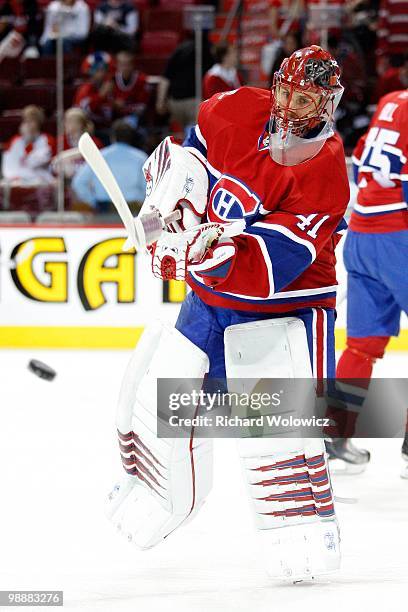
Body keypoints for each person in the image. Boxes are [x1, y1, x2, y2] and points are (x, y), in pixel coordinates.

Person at [107, 46, 349, 581]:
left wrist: (201, 256)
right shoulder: (237, 108)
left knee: (275, 429)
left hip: (284, 310)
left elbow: (270, 266)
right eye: (285, 91)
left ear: (327, 103)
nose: (290, 106)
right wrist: (160, 218)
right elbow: (189, 161)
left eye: (305, 98)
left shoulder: (326, 168)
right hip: (210, 302)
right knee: (172, 402)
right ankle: (160, 491)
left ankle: (301, 529)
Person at [330, 87, 408, 476]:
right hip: (399, 237)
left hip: (360, 233)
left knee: (360, 347)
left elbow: (359, 165)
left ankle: (334, 435)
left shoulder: (392, 100)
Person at [71, 119, 147, 213]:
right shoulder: (141, 157)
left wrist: (93, 202)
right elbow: (148, 187)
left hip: (105, 208)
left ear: (112, 137)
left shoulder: (100, 156)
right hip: (134, 209)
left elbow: (78, 182)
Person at [156, 32, 214, 133]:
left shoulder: (180, 49)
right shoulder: (209, 50)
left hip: (175, 102)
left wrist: (160, 101)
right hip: (195, 102)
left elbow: (166, 78)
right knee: (194, 137)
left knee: (181, 137)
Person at [2, 105, 55, 183]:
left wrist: (29, 141)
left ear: (38, 122)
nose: (28, 125)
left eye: (31, 121)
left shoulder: (47, 139)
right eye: (26, 121)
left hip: (41, 179)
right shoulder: (16, 140)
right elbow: (9, 164)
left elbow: (36, 162)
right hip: (17, 179)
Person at [74, 52, 114, 134]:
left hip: (108, 126)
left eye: (104, 70)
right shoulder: (85, 89)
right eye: (98, 70)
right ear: (91, 72)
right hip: (90, 128)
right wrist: (101, 95)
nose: (102, 73)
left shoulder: (111, 85)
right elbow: (84, 111)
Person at [112, 50, 150, 125]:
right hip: (115, 118)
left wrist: (124, 108)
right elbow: (108, 104)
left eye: (127, 64)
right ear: (117, 65)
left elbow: (142, 107)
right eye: (122, 65)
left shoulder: (141, 80)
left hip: (136, 118)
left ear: (133, 65)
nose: (125, 68)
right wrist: (114, 104)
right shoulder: (111, 80)